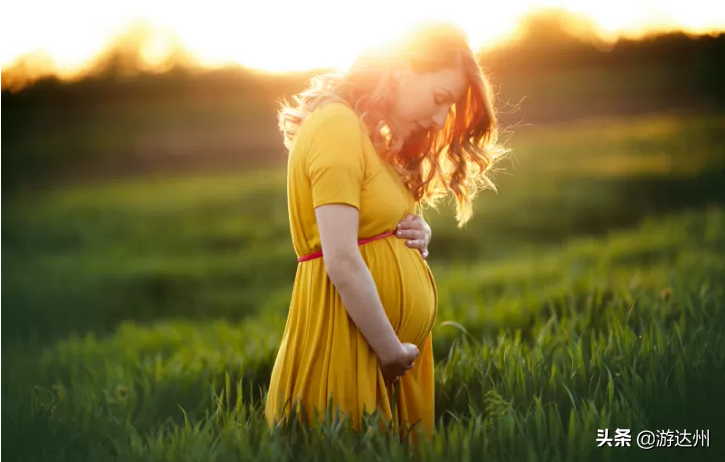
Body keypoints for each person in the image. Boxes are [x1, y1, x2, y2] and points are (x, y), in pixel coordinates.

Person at [265, 20, 508, 443]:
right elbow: (339, 257)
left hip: (382, 352)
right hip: (351, 344)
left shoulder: (366, 136)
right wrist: (390, 350)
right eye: (439, 99)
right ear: (402, 69)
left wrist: (413, 234)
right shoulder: (336, 126)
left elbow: (367, 226)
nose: (438, 120)